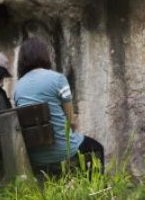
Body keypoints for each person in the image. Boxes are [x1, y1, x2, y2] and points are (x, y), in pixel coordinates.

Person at [13, 36, 105, 174]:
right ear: (44, 55)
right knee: (97, 147)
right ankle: (94, 191)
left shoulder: (18, 88)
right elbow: (71, 121)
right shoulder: (58, 79)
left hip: (36, 157)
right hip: (64, 151)